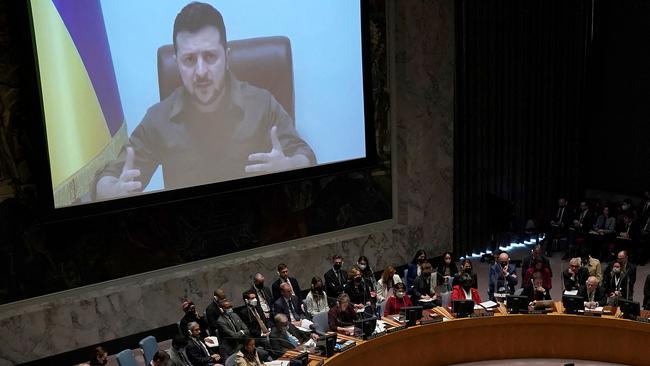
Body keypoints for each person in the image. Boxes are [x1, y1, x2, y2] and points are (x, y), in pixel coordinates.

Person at [93, 2, 316, 200]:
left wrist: (289, 166)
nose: (200, 72)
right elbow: (110, 177)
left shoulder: (262, 104)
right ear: (177, 62)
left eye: (210, 57)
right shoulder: (158, 119)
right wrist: (108, 190)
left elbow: (304, 155)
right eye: (189, 59)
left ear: (227, 57)